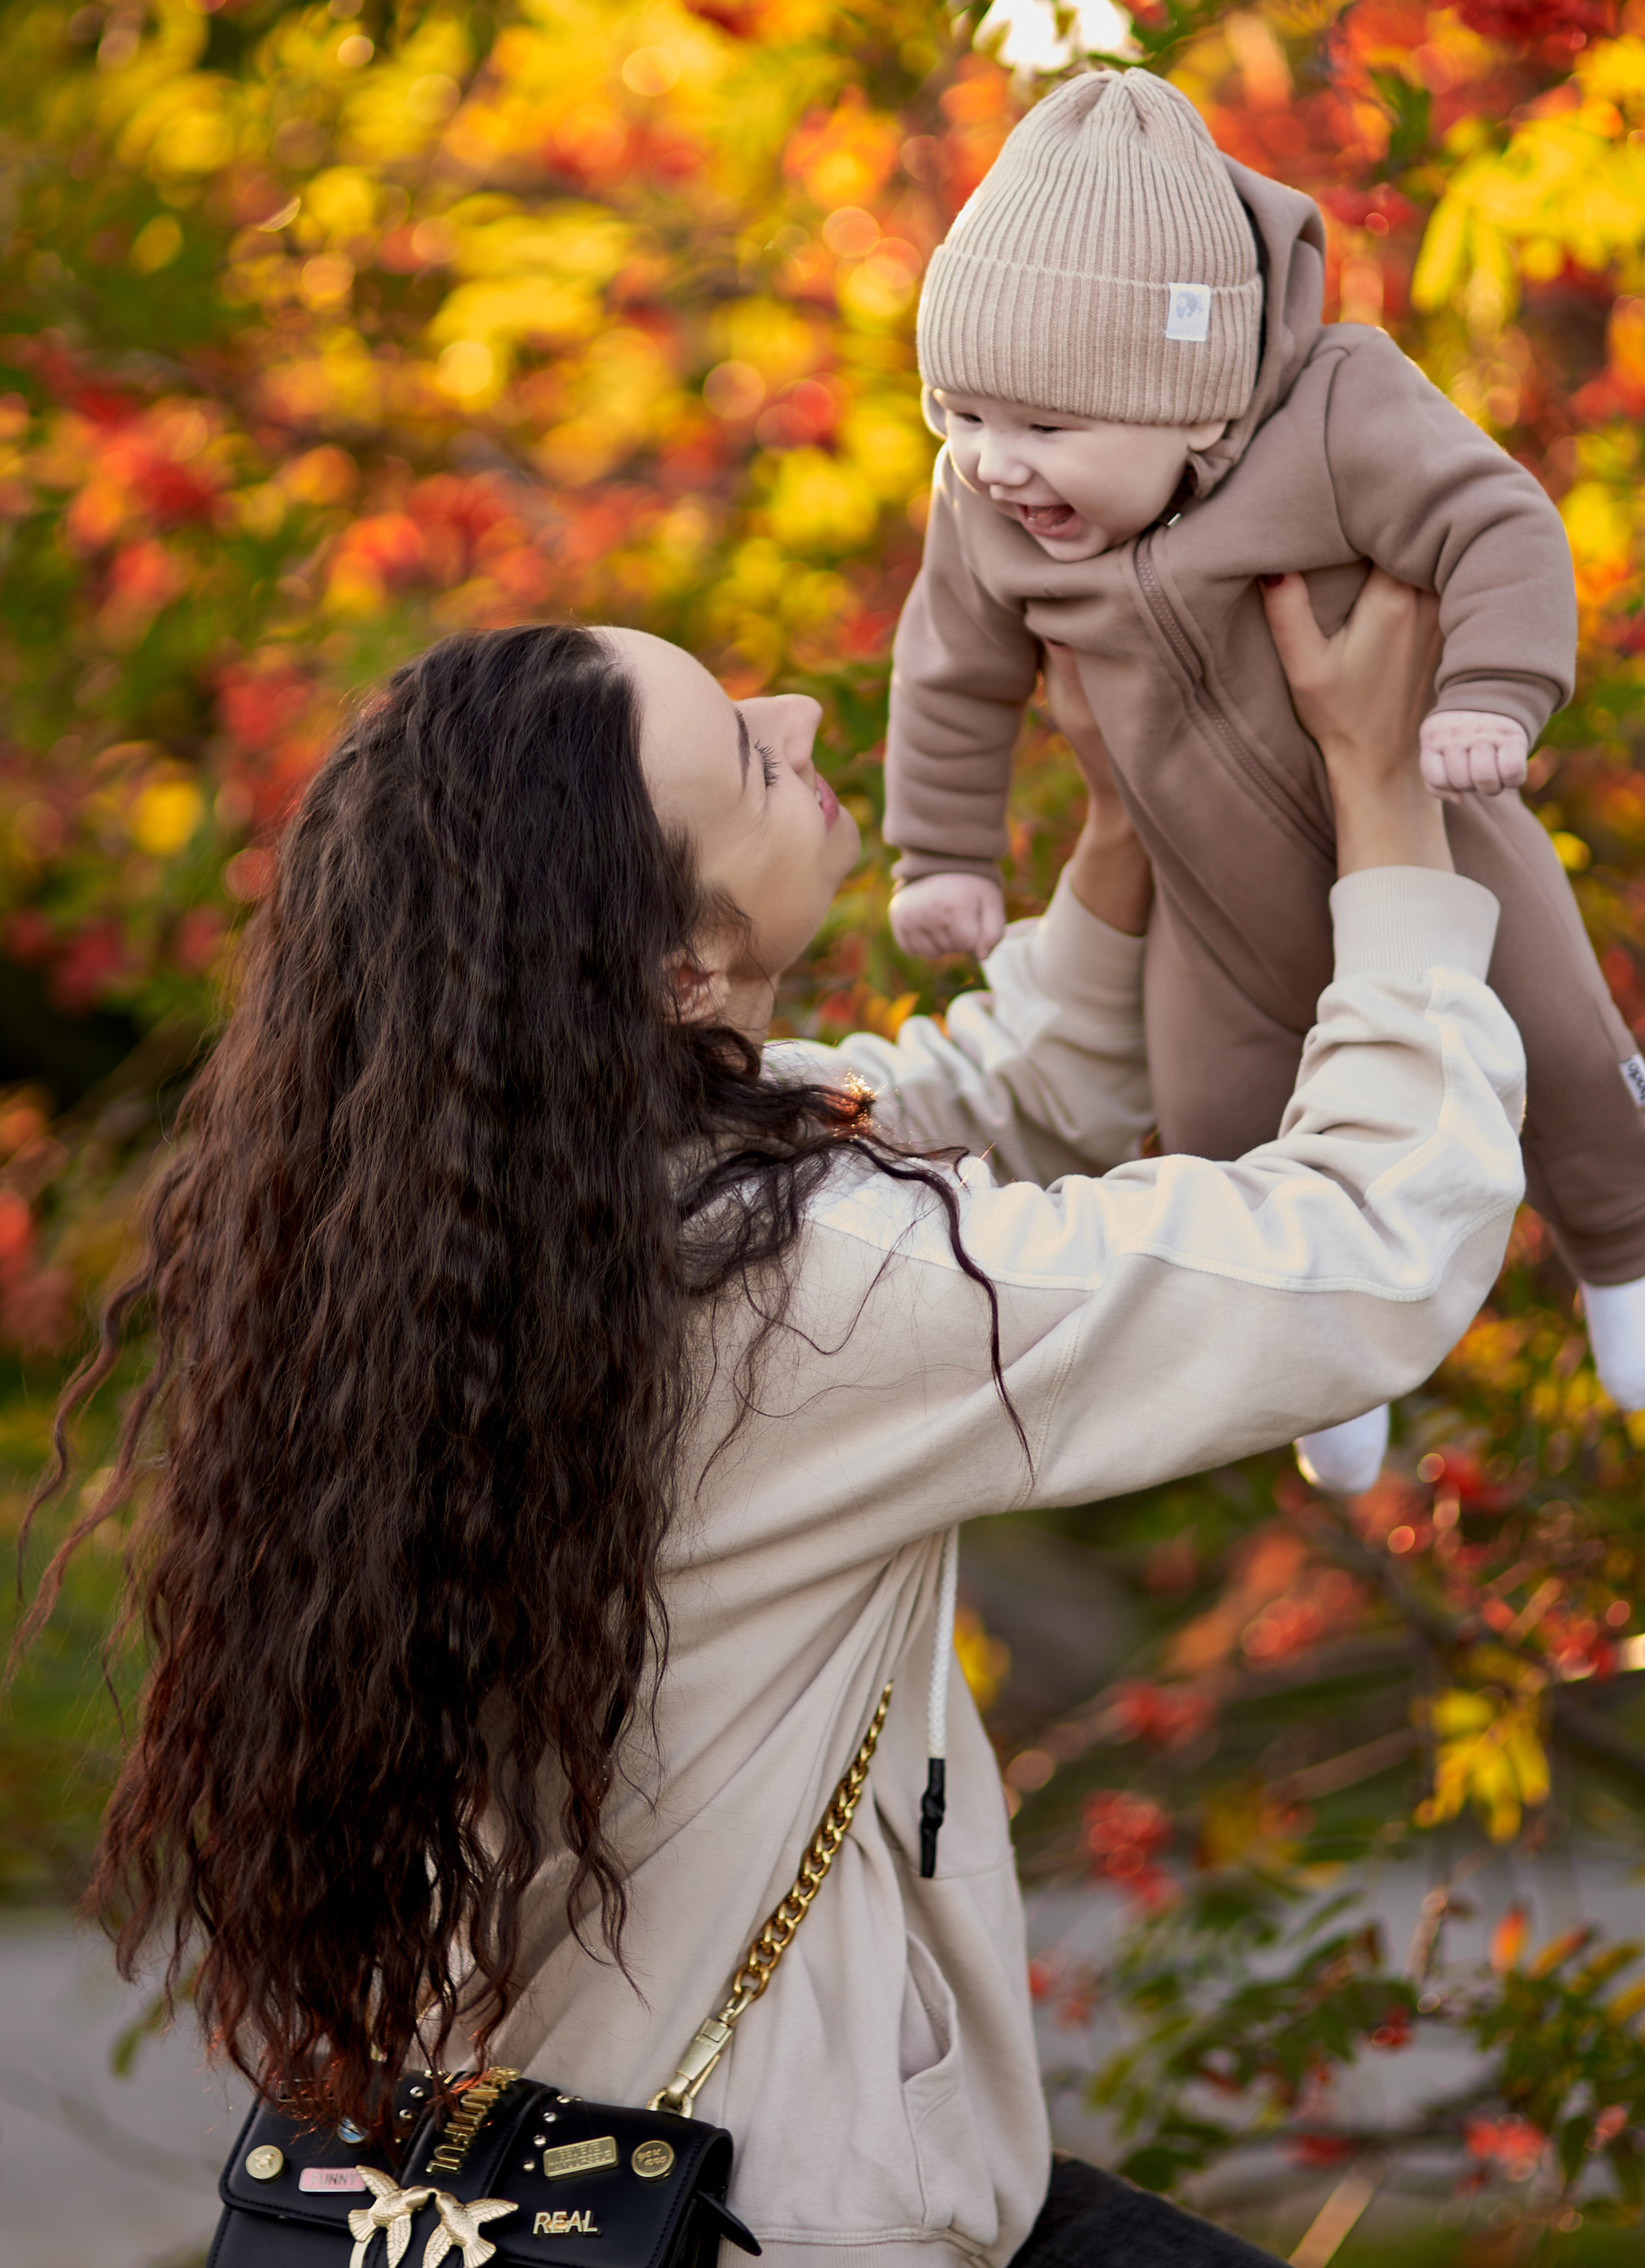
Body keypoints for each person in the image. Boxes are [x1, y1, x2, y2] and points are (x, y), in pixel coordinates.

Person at [24, 567, 1525, 2268]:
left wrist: (1117, 824)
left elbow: (980, 1101)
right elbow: (1366, 1254)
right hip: (787, 2207)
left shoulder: (477, 1218)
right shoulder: (800, 1286)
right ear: (675, 966)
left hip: (564, 2148)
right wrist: (1385, 799)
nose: (804, 717)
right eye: (745, 752)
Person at [881, 66, 1645, 1490]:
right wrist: (939, 853)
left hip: (1434, 840)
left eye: (1043, 428)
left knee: (1565, 1050)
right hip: (1211, 907)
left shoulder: (1336, 411)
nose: (993, 466)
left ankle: (1627, 1262)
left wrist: (1492, 693)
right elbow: (948, 668)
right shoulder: (987, 508)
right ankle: (1320, 1385)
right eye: (958, 414)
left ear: (1190, 406)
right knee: (1218, 1132)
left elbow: (1492, 520)